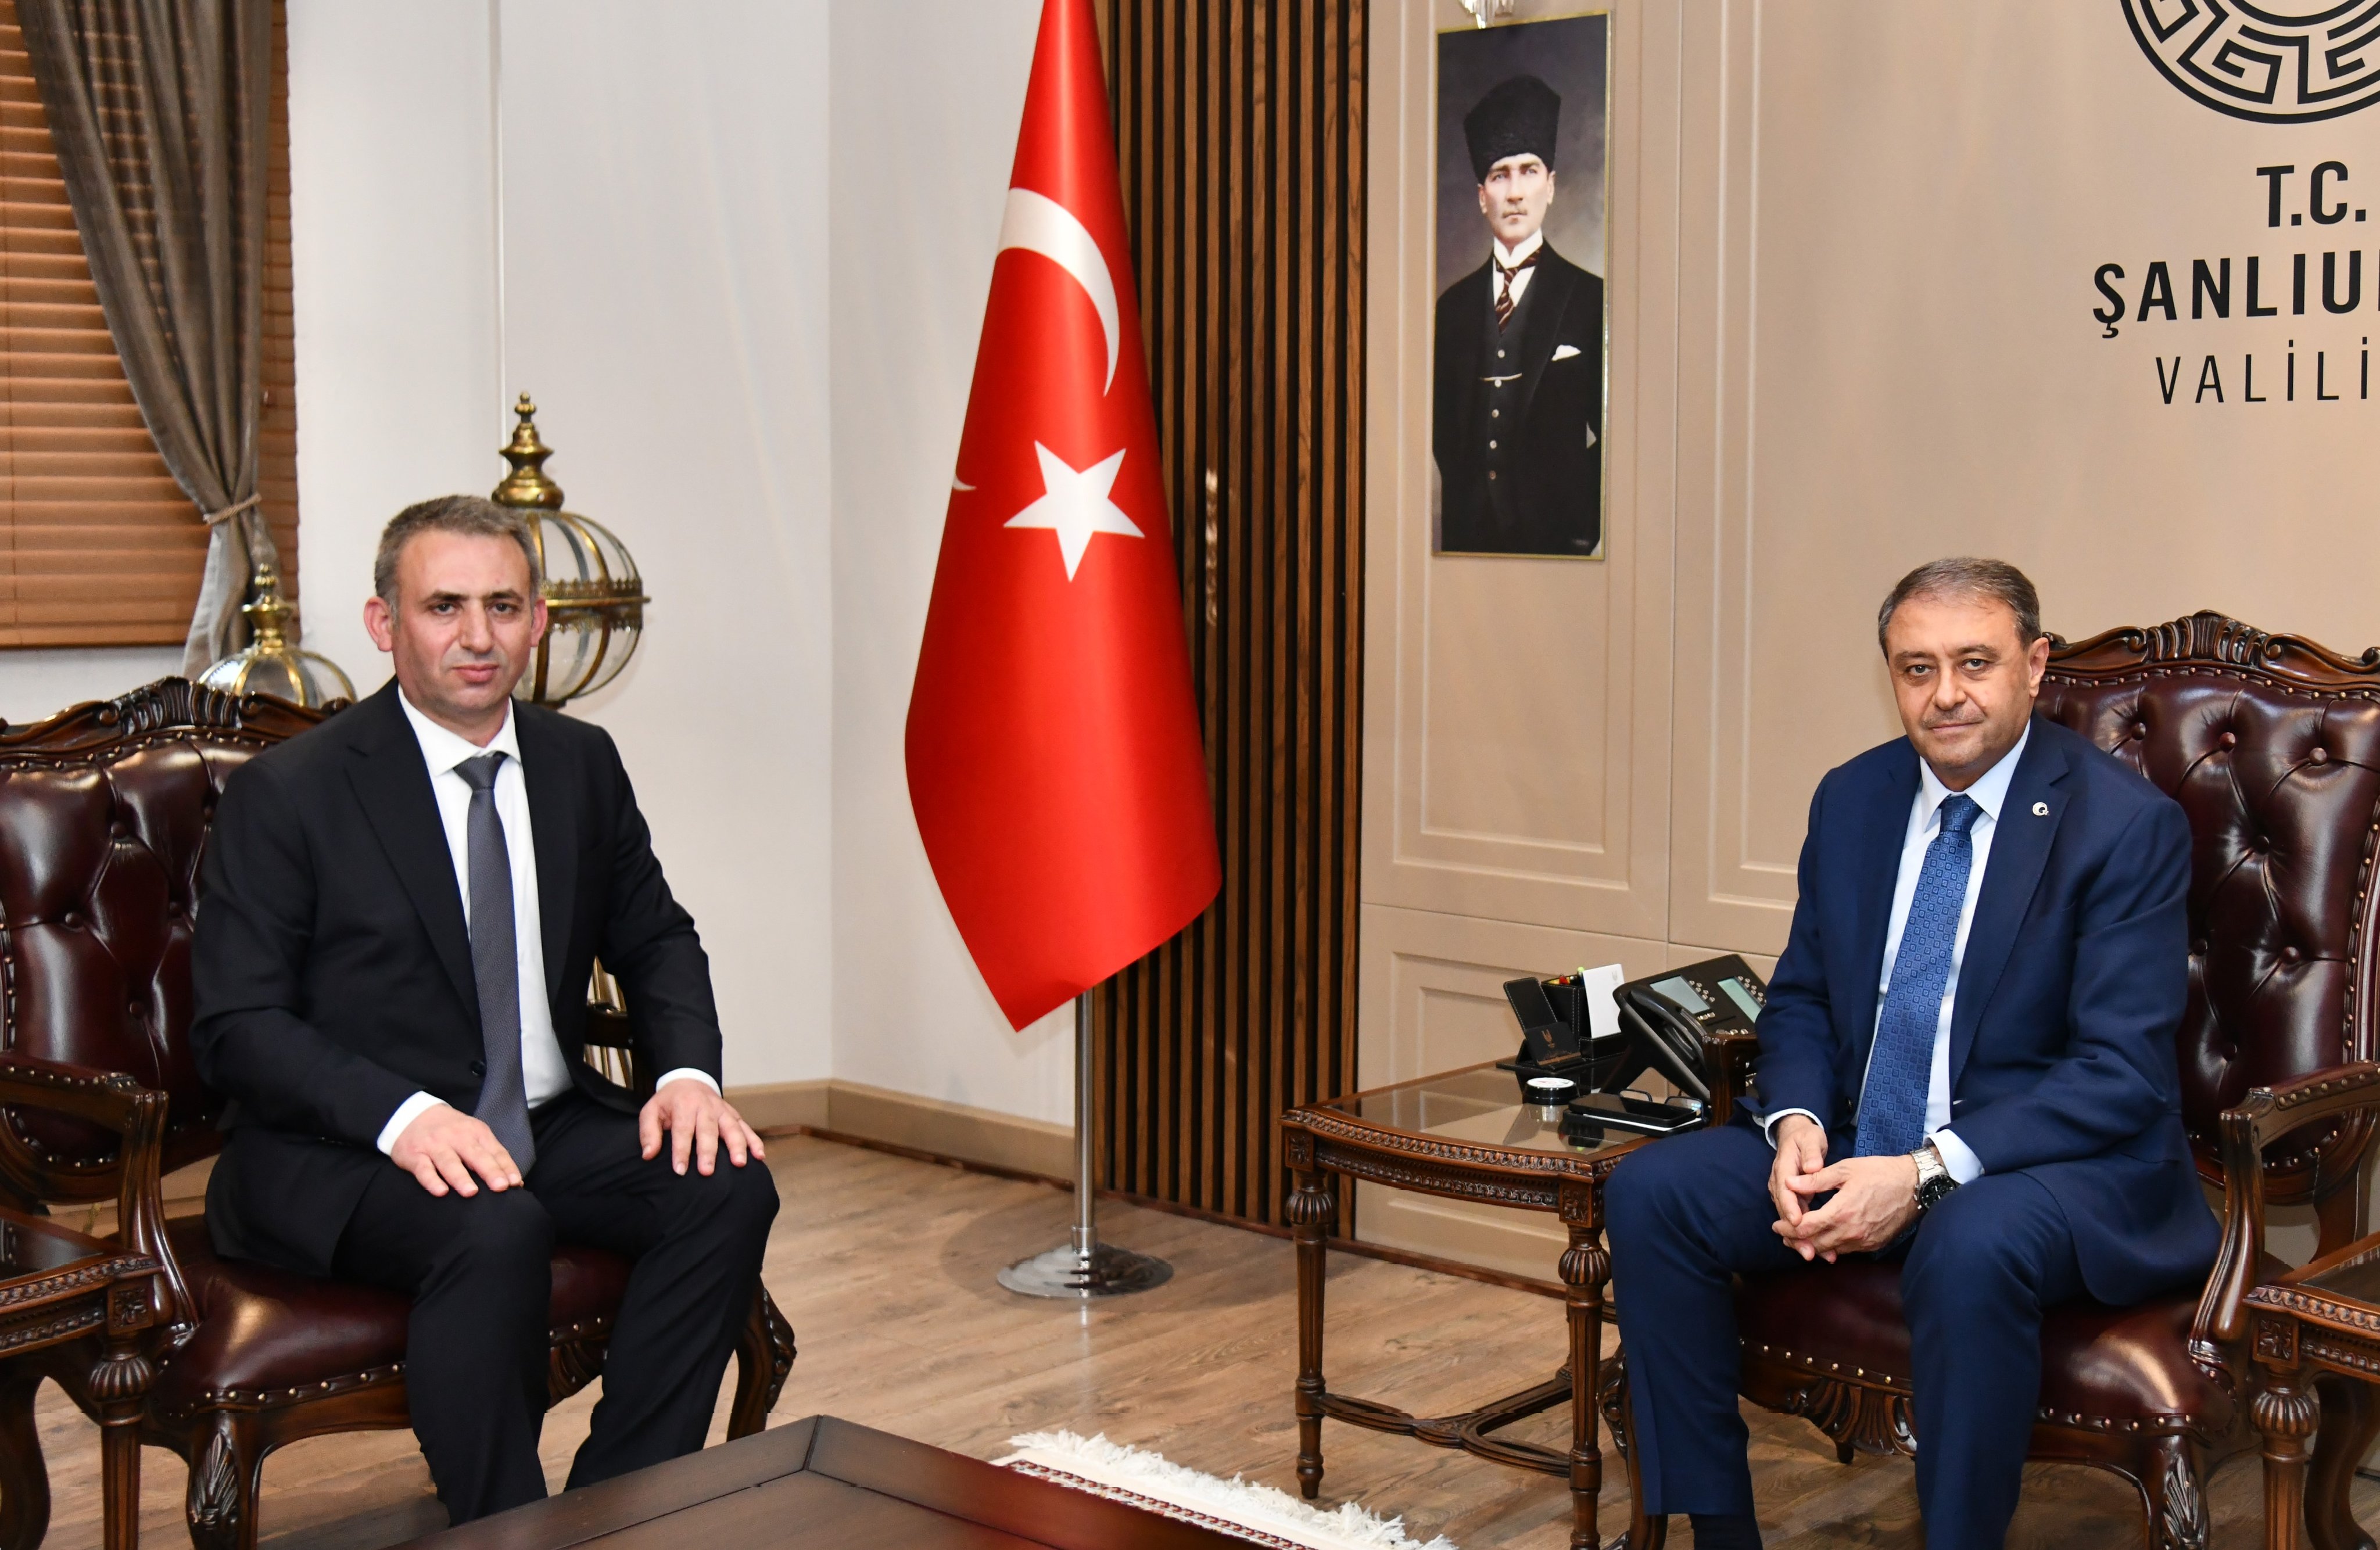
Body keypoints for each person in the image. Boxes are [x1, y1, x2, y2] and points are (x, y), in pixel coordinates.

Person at [1604, 558, 2218, 1550]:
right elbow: (1802, 995)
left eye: (1975, 663)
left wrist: (1925, 1172)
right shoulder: (1854, 797)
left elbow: (2118, 1073)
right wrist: (1796, 1123)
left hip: (2043, 1165)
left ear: (2034, 665)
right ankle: (1719, 1534)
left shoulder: (2124, 826)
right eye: (1916, 667)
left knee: (1969, 1239)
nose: (1946, 695)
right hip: (1860, 1135)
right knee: (1651, 1192)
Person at [192, 495, 779, 1524]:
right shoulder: (292, 792)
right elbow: (239, 1026)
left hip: (540, 1123)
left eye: (503, 606)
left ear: (537, 621)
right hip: (345, 1149)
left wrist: (688, 1077)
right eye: (444, 607)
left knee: (725, 1184)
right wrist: (405, 1115)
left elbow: (655, 937)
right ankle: (503, 1529)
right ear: (385, 623)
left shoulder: (579, 764)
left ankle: (612, 1513)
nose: (477, 636)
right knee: (494, 1226)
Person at [1432, 72, 1604, 557]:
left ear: (1551, 186)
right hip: (1468, 552)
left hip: (1558, 548)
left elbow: (1621, 435)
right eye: (1499, 174)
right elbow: (1441, 432)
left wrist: (1578, 521)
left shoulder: (1591, 298)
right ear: (1480, 196)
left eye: (1529, 171)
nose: (1514, 192)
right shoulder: (1451, 309)